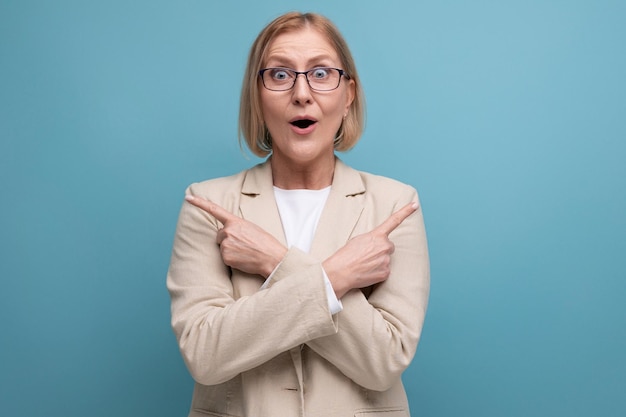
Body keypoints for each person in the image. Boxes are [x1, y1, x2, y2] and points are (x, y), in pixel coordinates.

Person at [167, 11, 429, 417]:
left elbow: (384, 362)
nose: (302, 93)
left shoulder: (395, 205)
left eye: (321, 73)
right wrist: (334, 278)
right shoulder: (208, 205)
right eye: (280, 75)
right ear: (257, 95)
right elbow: (205, 356)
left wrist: (274, 261)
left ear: (349, 95)